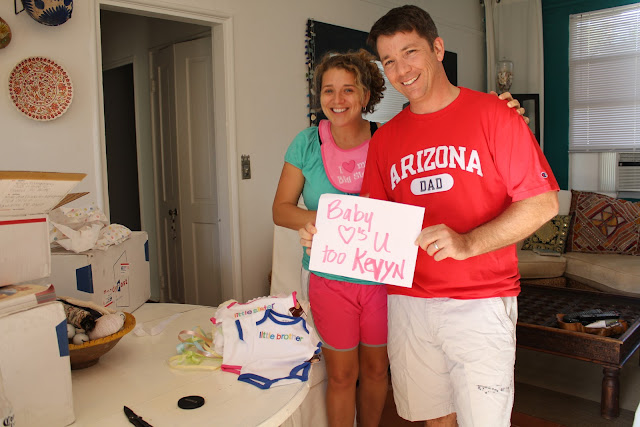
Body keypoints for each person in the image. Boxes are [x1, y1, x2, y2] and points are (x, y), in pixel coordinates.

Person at [298, 5, 559, 427]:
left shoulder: (494, 115)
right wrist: (326, 237)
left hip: (480, 301)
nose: (401, 70)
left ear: (437, 48)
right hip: (408, 303)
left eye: (410, 53)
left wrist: (468, 242)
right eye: (389, 61)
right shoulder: (386, 140)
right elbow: (374, 224)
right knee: (435, 420)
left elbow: (543, 204)